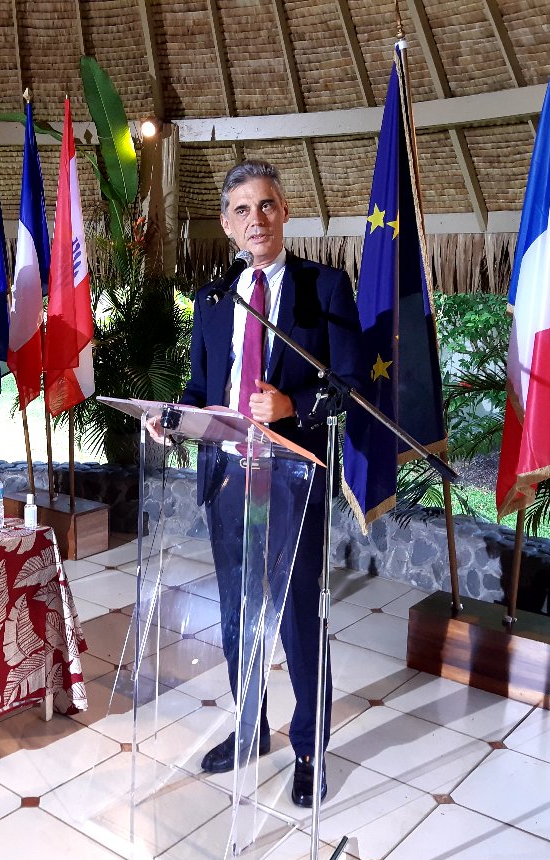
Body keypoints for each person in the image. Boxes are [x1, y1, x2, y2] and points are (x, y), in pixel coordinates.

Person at [176, 160, 362, 807]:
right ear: (227, 225)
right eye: (242, 210)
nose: (255, 219)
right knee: (237, 615)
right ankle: (250, 727)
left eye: (267, 206)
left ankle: (309, 751)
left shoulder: (325, 287)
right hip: (227, 476)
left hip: (292, 480)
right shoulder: (211, 300)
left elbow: (350, 385)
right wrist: (172, 421)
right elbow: (201, 389)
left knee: (296, 621)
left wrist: (294, 407)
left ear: (284, 213)